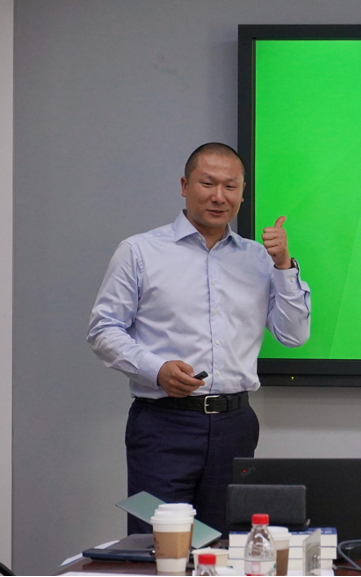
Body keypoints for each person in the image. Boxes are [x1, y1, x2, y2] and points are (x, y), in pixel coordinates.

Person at [87, 142, 310, 535]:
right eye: (207, 183)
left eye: (230, 186)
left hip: (235, 425)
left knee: (227, 545)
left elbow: (293, 335)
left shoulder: (260, 259)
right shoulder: (139, 251)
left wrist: (284, 266)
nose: (219, 196)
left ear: (242, 192)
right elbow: (103, 329)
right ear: (184, 186)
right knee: (159, 545)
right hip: (163, 425)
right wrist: (156, 370)